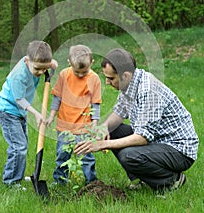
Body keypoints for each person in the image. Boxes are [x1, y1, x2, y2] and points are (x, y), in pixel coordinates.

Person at [74, 48, 199, 193]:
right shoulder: (130, 84)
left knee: (128, 156)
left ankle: (171, 180)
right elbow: (119, 112)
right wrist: (103, 128)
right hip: (159, 140)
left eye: (110, 78)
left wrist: (103, 144)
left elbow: (142, 138)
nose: (107, 82)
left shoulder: (148, 90)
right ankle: (146, 179)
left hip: (178, 150)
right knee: (113, 130)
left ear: (125, 75)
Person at [0, 40, 57, 189]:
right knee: (19, 146)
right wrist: (37, 114)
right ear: (26, 60)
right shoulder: (19, 75)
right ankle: (10, 181)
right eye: (38, 69)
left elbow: (48, 66)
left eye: (45, 69)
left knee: (22, 145)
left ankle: (18, 176)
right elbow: (19, 100)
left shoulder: (36, 62)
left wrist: (52, 66)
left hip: (20, 112)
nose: (41, 73)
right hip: (9, 110)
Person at [48, 45, 101, 185]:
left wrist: (94, 125)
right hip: (64, 125)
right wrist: (51, 115)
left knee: (86, 156)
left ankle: (91, 182)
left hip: (84, 126)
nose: (81, 75)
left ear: (92, 63)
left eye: (85, 71)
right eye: (77, 72)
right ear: (69, 63)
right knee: (62, 155)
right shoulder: (64, 75)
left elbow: (96, 104)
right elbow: (57, 97)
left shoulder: (94, 79)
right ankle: (60, 181)